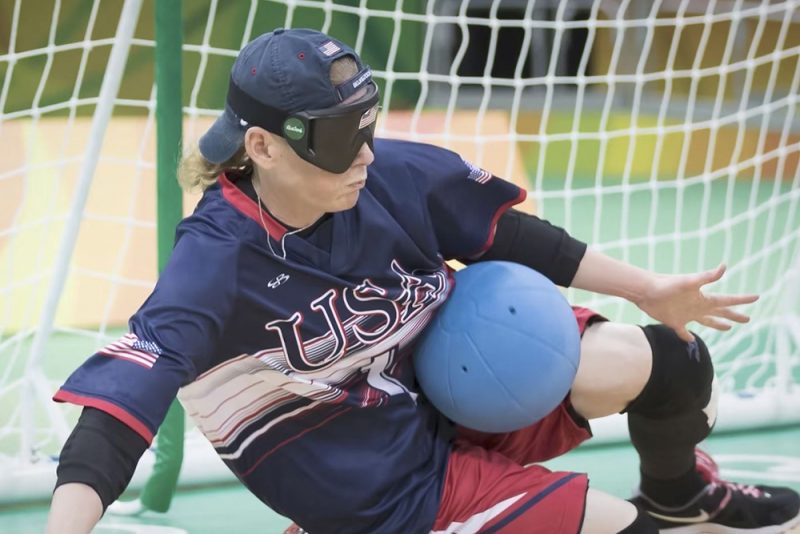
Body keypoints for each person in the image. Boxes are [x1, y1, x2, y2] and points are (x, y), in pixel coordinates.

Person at [46, 28, 800, 534]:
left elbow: (507, 234)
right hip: (379, 488)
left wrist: (646, 289)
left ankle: (679, 492)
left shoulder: (384, 176)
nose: (367, 153)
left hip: (451, 392)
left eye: (366, 126)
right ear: (263, 148)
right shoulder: (214, 263)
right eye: (343, 140)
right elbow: (114, 422)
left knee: (669, 357)